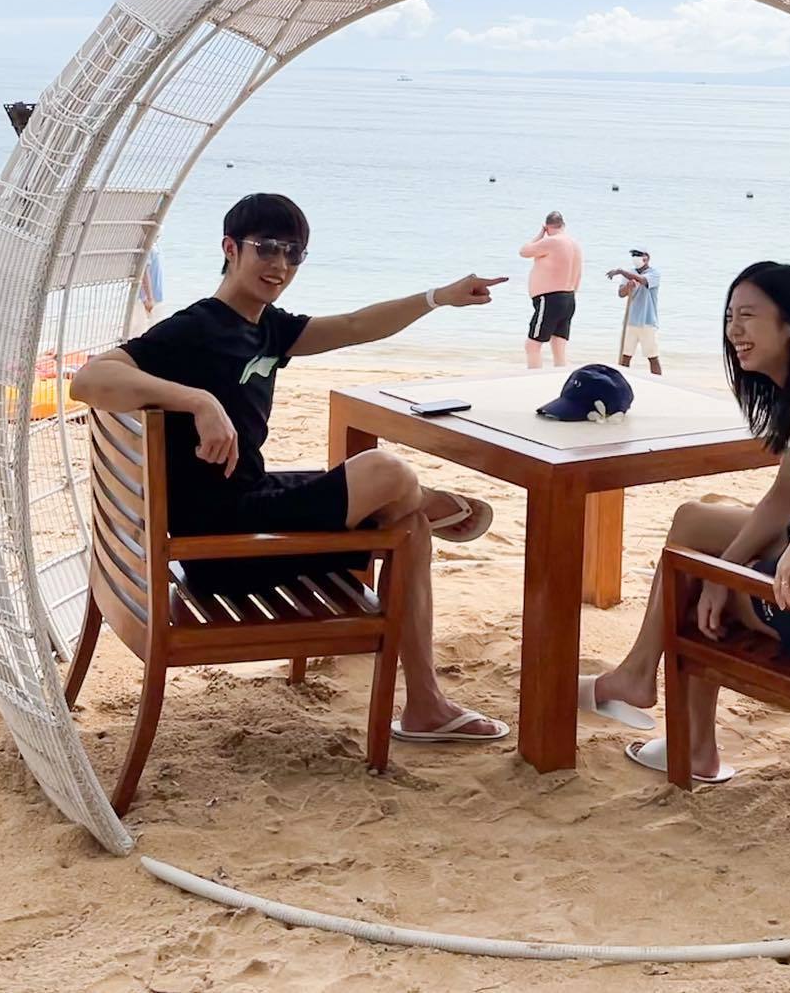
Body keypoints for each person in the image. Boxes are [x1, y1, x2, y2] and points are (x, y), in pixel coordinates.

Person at [72, 192, 511, 745]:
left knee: (405, 517)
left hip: (243, 505)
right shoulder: (196, 329)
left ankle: (426, 700)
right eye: (266, 248)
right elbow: (88, 380)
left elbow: (355, 325)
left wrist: (438, 297)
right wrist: (199, 401)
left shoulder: (267, 328)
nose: (280, 264)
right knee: (390, 476)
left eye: (293, 253)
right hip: (222, 546)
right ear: (230, 249)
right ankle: (427, 509)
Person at [578, 261, 790, 782]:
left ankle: (693, 746)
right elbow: (783, 497)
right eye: (730, 317)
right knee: (693, 523)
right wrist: (726, 569)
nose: (734, 330)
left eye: (749, 316)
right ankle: (638, 674)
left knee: (688, 585)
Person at [519, 209, 583, 369]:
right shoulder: (575, 244)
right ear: (563, 225)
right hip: (569, 297)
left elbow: (524, 251)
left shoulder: (552, 242)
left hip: (550, 298)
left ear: (547, 227)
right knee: (558, 346)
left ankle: (534, 377)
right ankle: (560, 375)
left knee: (532, 345)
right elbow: (579, 274)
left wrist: (540, 234)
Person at [608, 247, 661, 375]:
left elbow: (643, 280)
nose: (636, 258)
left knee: (652, 356)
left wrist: (621, 271)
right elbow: (621, 294)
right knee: (625, 356)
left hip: (647, 321)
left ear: (647, 258)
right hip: (630, 320)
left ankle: (658, 381)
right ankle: (622, 379)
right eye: (634, 255)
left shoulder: (654, 273)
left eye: (639, 255)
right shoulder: (629, 273)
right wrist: (628, 286)